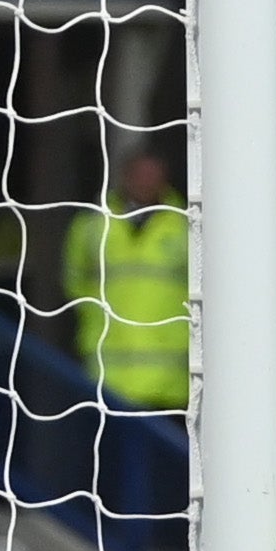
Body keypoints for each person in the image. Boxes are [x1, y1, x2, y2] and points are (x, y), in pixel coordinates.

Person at [61, 146, 187, 412]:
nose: (146, 182)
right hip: (107, 375)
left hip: (170, 382)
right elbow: (74, 283)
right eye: (140, 174)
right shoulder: (92, 223)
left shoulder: (188, 224)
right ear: (125, 176)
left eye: (153, 175)